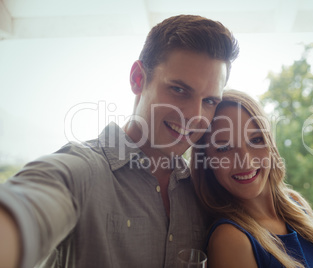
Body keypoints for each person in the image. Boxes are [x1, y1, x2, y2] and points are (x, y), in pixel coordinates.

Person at [0, 15, 239, 268]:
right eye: (179, 90)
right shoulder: (83, 170)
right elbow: (27, 204)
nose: (194, 115)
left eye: (210, 101)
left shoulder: (200, 189)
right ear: (138, 78)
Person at [191, 90, 313, 268]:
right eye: (224, 148)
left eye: (256, 140)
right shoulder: (230, 239)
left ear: (270, 143)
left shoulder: (296, 204)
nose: (245, 161)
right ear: (206, 161)